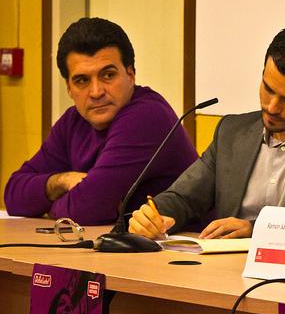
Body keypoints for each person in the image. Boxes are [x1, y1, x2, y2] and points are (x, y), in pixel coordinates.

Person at [128, 24, 285, 253]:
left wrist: (259, 230)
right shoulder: (231, 132)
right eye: (268, 89)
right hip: (225, 272)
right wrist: (153, 216)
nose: (272, 107)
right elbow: (183, 198)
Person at [4, 17, 197, 225]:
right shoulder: (73, 121)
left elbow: (86, 207)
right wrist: (62, 181)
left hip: (187, 242)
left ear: (130, 75)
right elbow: (14, 195)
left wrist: (51, 206)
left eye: (108, 75)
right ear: (69, 88)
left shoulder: (147, 116)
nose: (96, 92)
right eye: (82, 80)